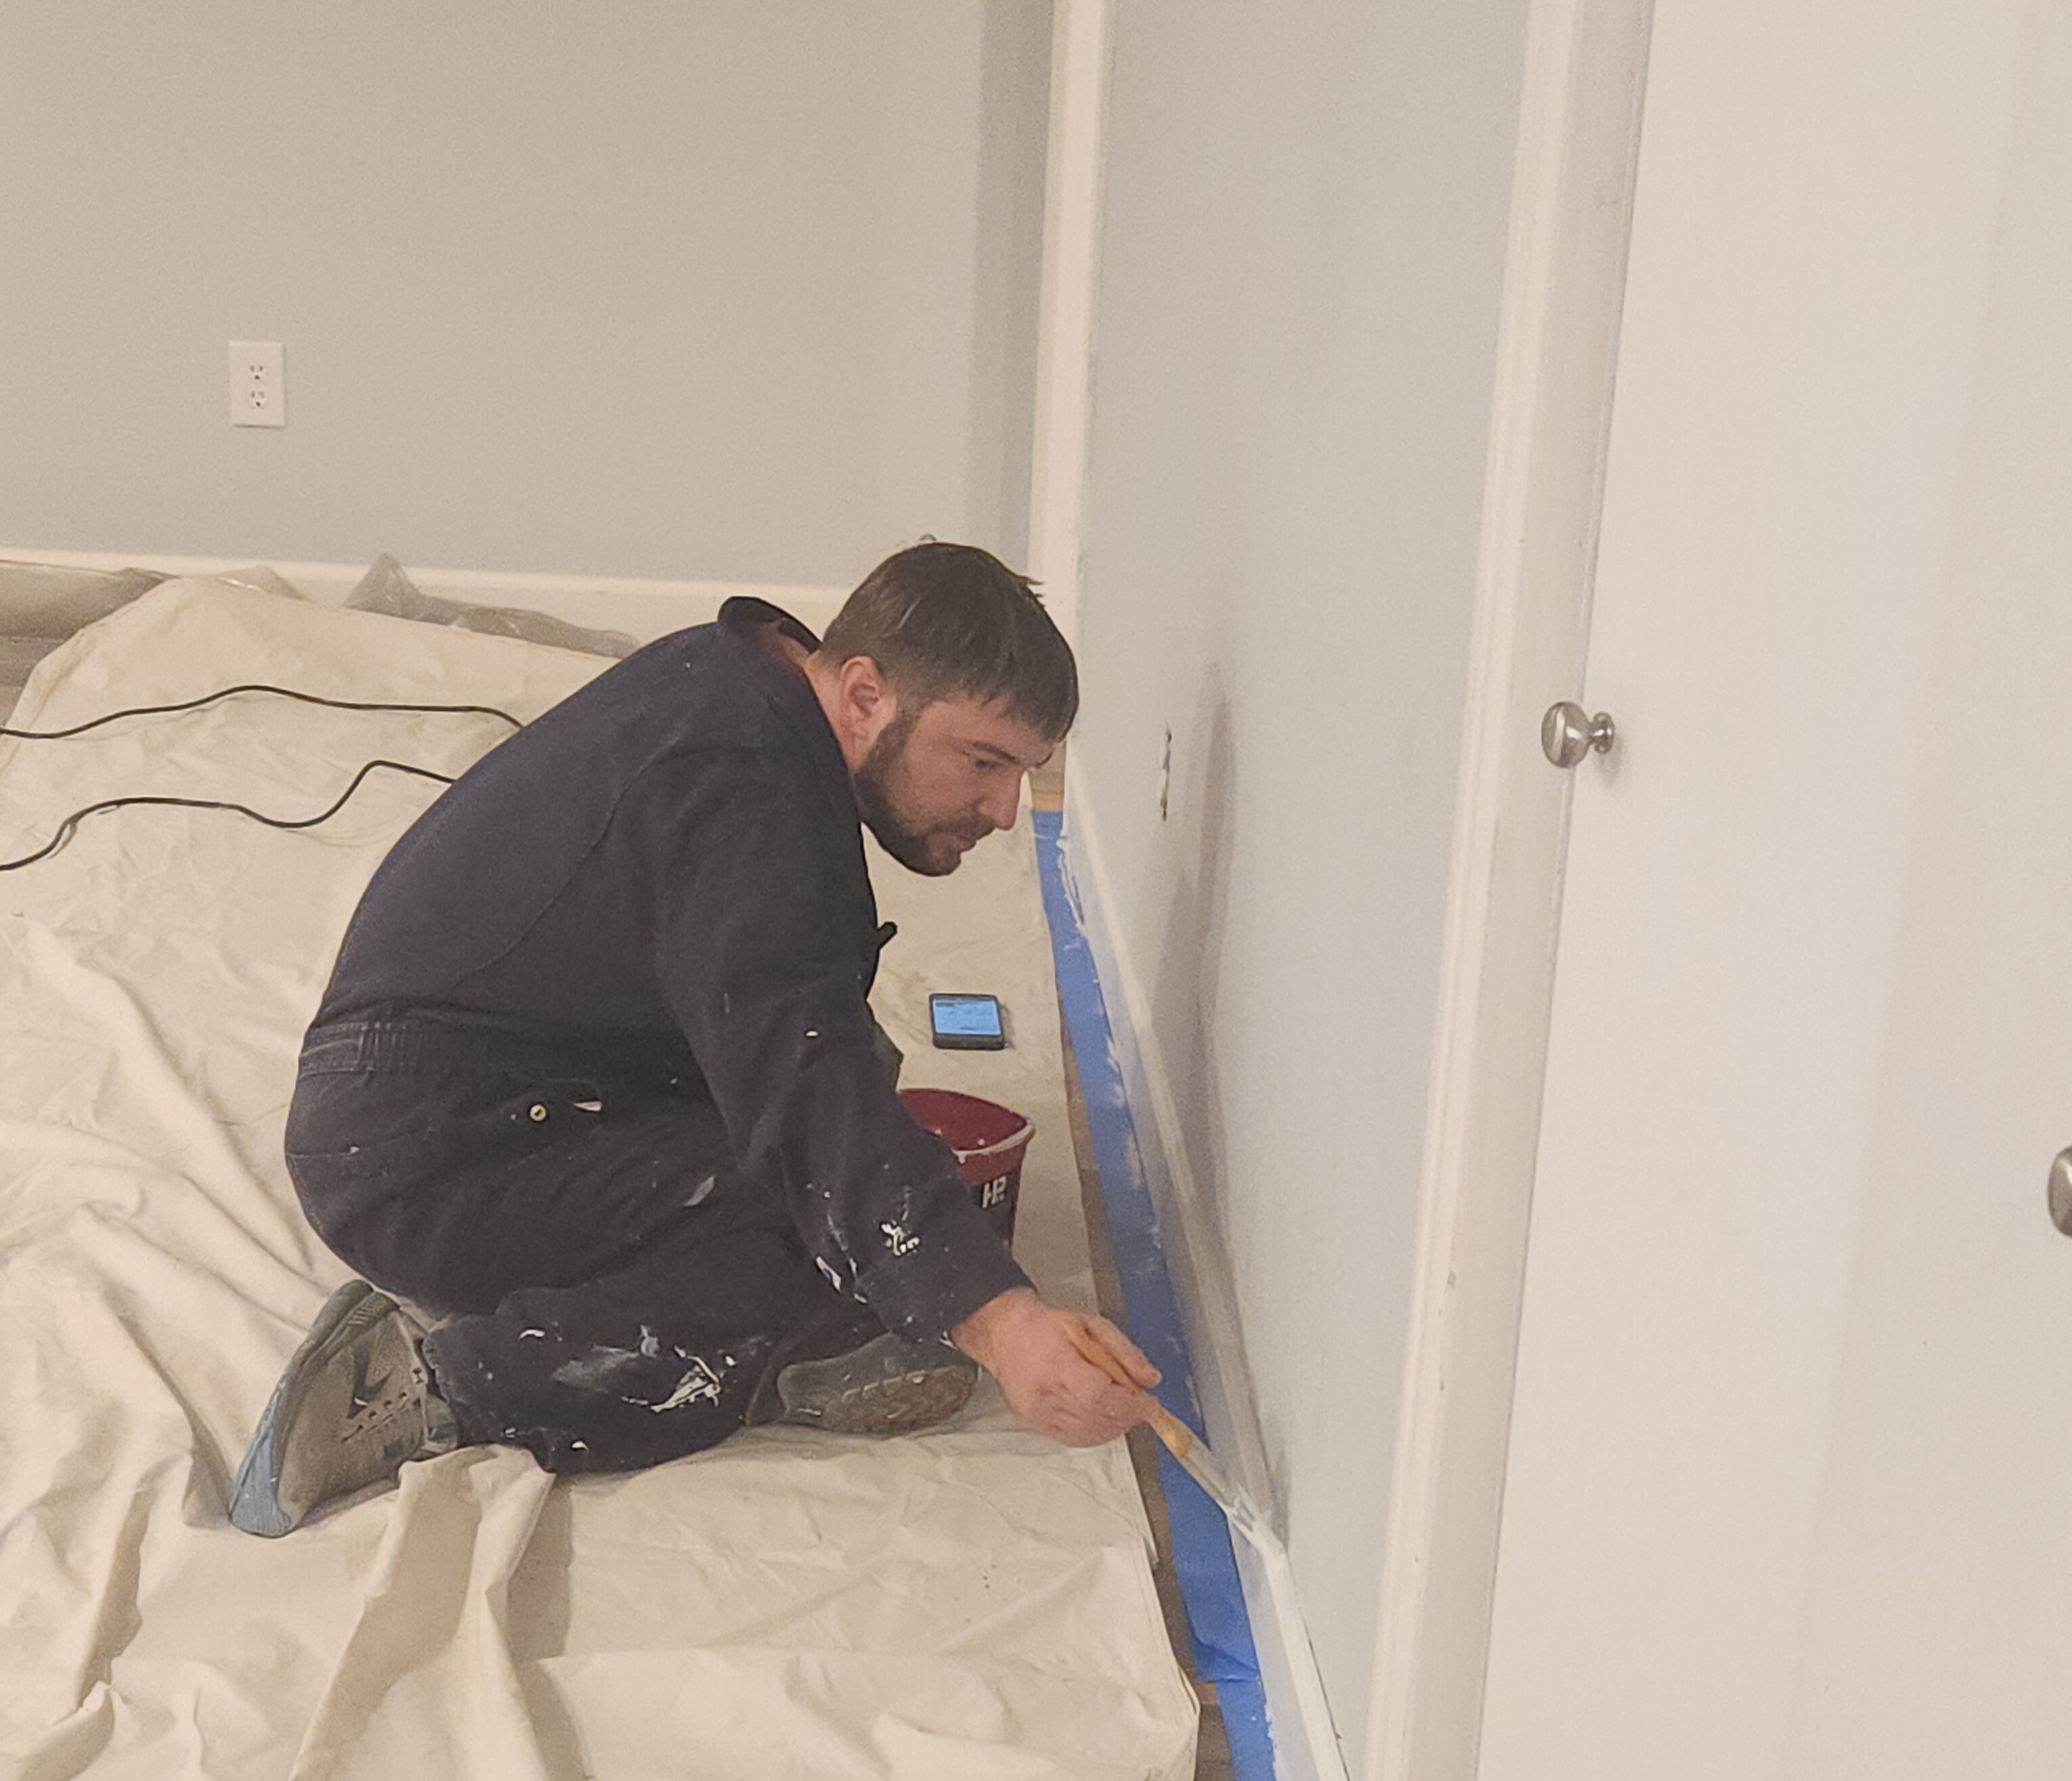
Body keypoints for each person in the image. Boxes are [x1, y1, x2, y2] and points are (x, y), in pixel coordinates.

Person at [229, 542, 1160, 1537]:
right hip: (412, 1153)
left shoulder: (751, 687)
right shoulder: (744, 791)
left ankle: (801, 1334)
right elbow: (809, 1098)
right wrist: (1005, 1323)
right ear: (864, 695)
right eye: (984, 762)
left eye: (1024, 772)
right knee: (796, 1222)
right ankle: (427, 1384)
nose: (1006, 812)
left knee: (860, 1183)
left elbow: (791, 1029)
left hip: (466, 1082)